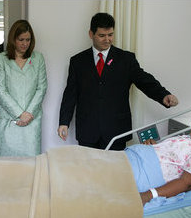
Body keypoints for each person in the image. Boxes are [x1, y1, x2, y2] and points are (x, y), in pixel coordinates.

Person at [58, 12, 179, 150]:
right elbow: (70, 94)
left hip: (116, 130)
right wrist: (64, 122)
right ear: (91, 34)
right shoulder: (78, 61)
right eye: (102, 35)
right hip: (88, 130)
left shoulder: (126, 59)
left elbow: (144, 80)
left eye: (110, 35)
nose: (107, 40)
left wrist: (163, 95)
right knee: (89, 170)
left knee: (115, 170)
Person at [0, 20, 48, 156]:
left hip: (31, 119)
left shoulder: (38, 58)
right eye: (21, 39)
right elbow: (0, 89)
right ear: (13, 39)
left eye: (28, 40)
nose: (25, 43)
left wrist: (28, 114)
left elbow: (41, 88)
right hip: (9, 120)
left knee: (30, 165)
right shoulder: (1, 59)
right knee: (6, 164)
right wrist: (19, 114)